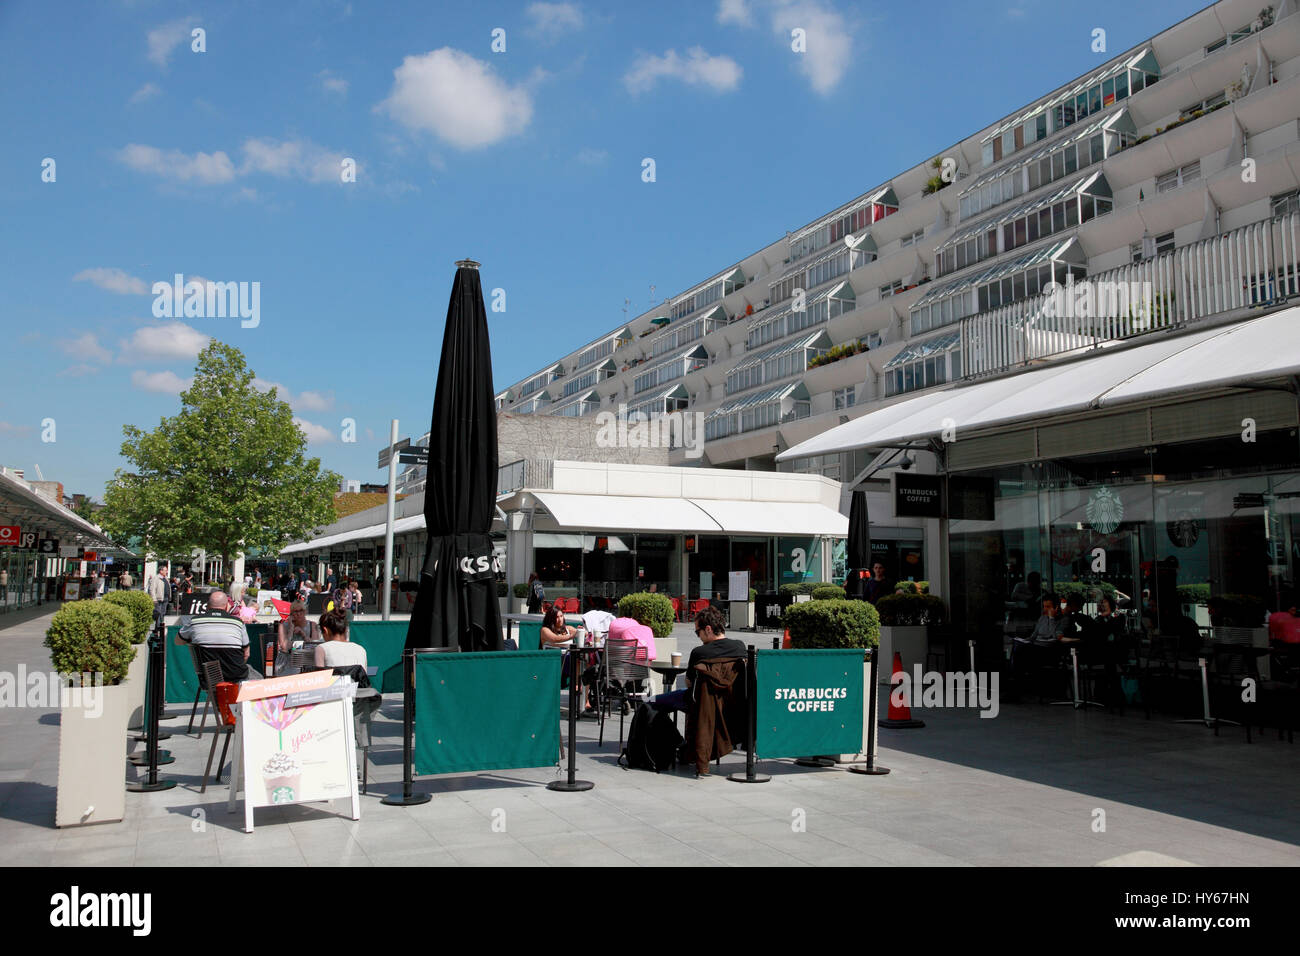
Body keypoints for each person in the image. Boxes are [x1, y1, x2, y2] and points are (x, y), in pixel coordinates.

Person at [655, 605, 746, 712]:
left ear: (708, 629)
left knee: (653, 702)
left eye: (698, 633)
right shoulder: (740, 646)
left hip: (701, 704)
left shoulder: (699, 652)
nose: (699, 637)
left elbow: (689, 684)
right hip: (732, 704)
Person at [174, 590, 260, 681]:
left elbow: (178, 641)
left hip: (209, 678)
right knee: (259, 679)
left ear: (207, 606)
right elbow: (246, 654)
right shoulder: (238, 623)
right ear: (227, 606)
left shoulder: (194, 621)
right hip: (236, 678)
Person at [276, 600, 323, 675]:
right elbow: (285, 647)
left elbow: (314, 645)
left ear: (305, 612)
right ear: (291, 614)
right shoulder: (283, 626)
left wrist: (303, 634)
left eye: (301, 610)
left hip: (306, 661)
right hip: (288, 662)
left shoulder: (312, 625)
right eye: (295, 611)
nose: (298, 614)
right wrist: (291, 629)